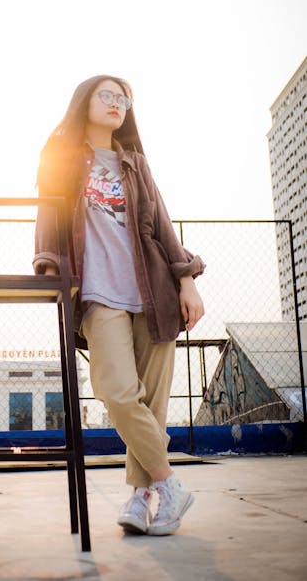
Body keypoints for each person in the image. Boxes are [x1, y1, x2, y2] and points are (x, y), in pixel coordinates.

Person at [33, 75, 205, 536]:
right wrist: (51, 273)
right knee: (117, 392)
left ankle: (139, 496)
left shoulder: (136, 164)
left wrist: (186, 281)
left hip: (154, 294)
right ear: (84, 101)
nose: (116, 103)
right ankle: (169, 484)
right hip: (98, 293)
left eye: (123, 98)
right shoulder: (62, 159)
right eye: (106, 95)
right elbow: (48, 223)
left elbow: (164, 227)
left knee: (152, 403)